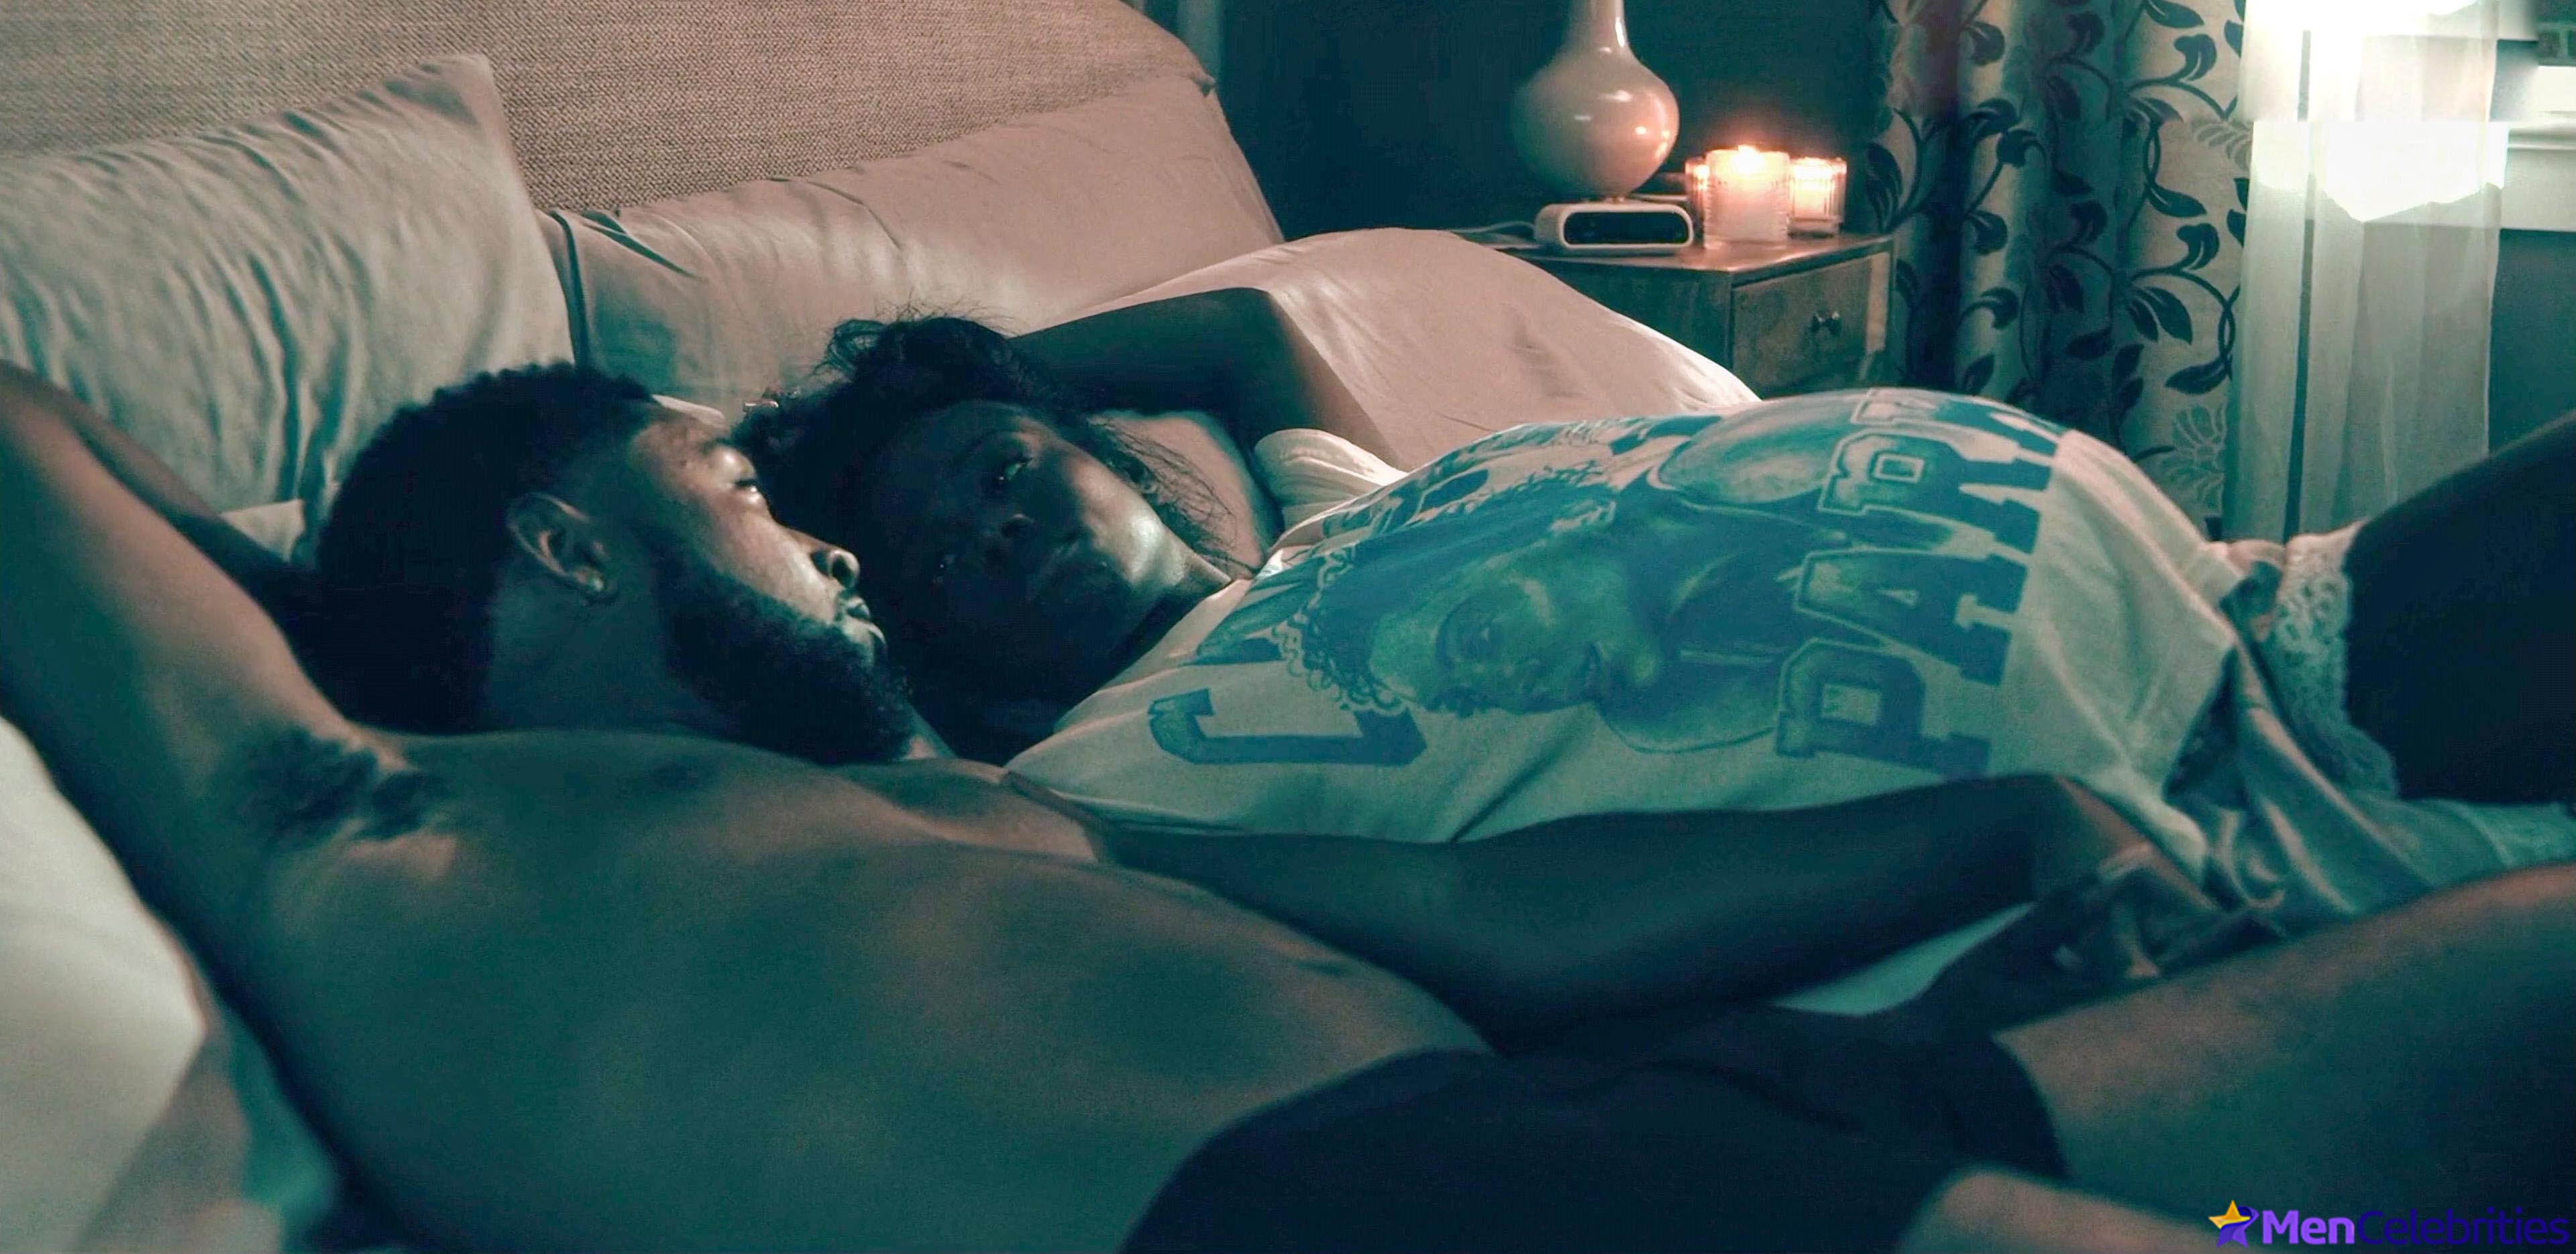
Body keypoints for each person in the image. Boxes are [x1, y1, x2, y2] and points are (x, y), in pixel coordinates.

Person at [6, 360, 2569, 1251]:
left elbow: (1501, 918)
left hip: (1641, 1121)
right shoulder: (387, 839)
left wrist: (2016, 827)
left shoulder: (969, 821)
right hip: (1372, 1219)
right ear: (566, 543)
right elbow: (58, 499)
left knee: (2491, 1104)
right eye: (743, 486)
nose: (831, 546)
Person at [751, 311, 2575, 943]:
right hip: (2173, 831)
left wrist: (936, 381)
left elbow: (1241, 329)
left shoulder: (1331, 509)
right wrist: (793, 488)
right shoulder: (1089, 787)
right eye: (942, 558)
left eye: (1000, 472)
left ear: (1104, 452)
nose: (995, 530)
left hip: (2242, 605)